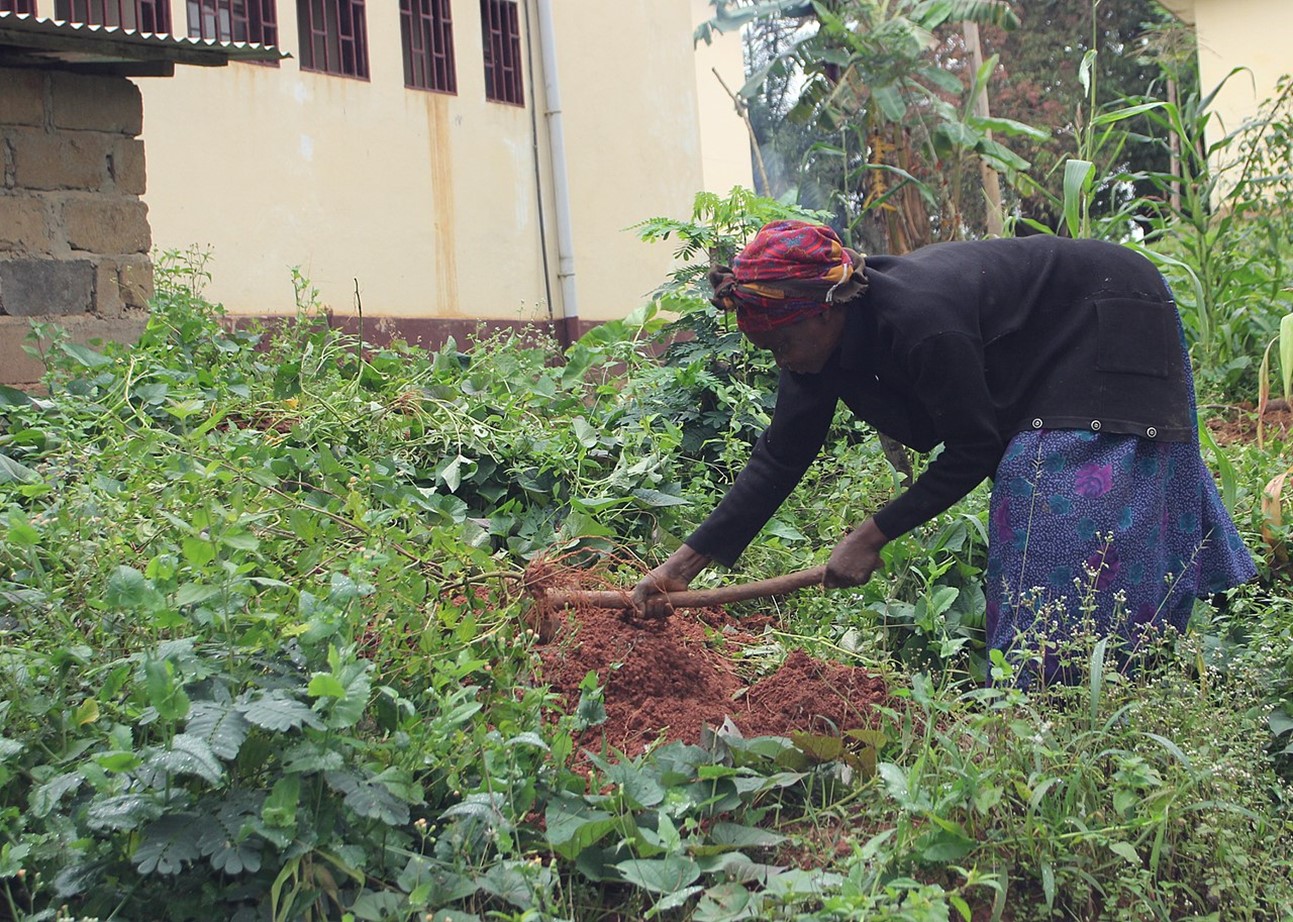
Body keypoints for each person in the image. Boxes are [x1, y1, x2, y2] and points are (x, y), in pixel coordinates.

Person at [632, 220, 1256, 682]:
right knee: (1042, 493)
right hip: (1043, 350)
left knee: (1045, 490)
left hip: (1110, 312)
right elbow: (780, 456)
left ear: (827, 312)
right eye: (773, 350)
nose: (784, 360)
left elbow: (973, 447)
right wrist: (677, 570)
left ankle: (1065, 691)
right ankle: (1080, 680)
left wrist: (873, 533)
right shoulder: (812, 343)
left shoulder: (920, 319)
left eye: (787, 342)